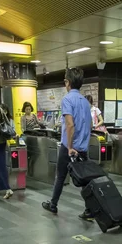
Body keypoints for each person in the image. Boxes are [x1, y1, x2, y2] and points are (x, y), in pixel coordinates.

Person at [42, 68, 92, 218]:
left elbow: (70, 124)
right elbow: (89, 125)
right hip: (83, 148)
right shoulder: (85, 102)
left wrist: (70, 147)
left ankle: (53, 204)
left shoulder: (67, 99)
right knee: (84, 179)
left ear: (67, 82)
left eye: (65, 80)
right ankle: (89, 209)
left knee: (61, 176)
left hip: (69, 148)